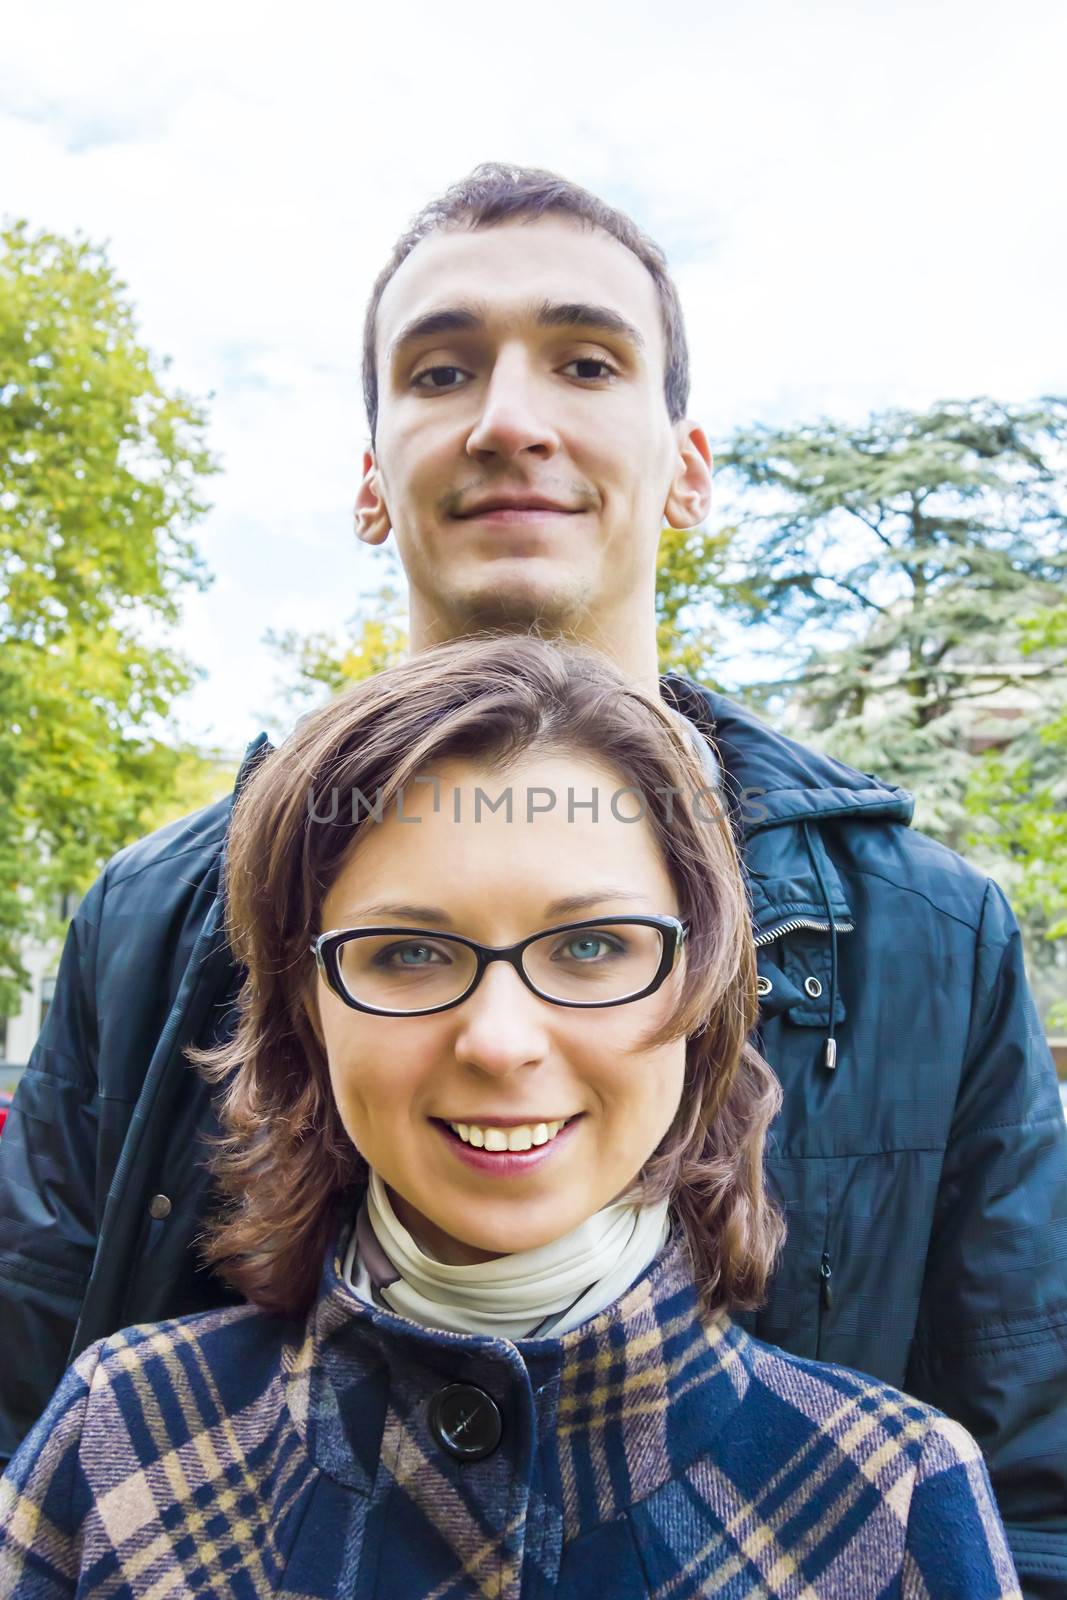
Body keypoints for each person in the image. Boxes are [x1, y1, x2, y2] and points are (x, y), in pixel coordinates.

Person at [0, 163, 1063, 1595]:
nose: (508, 419)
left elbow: (1030, 1488)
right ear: (371, 480)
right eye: (440, 369)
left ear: (687, 466)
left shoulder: (928, 935)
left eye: (582, 359)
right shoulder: (151, 917)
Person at [0, 637, 1021, 1598]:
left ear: (702, 994)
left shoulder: (889, 1499)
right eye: (405, 951)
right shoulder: (120, 1437)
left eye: (588, 947)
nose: (498, 1040)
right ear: (303, 1009)